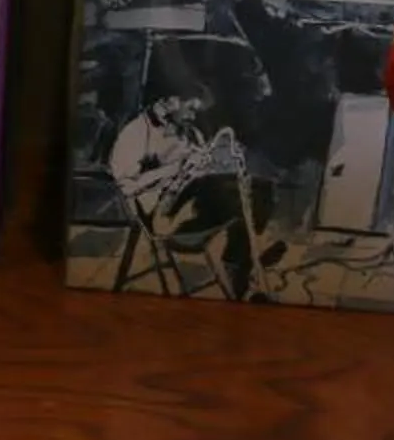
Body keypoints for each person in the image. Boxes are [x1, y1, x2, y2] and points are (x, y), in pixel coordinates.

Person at [106, 88, 274, 299]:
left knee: (260, 189)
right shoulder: (134, 134)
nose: (194, 116)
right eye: (191, 109)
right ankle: (240, 264)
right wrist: (177, 167)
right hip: (161, 216)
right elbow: (126, 185)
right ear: (169, 101)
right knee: (230, 192)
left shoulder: (189, 131)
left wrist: (218, 162)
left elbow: (198, 171)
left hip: (191, 202)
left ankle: (239, 263)